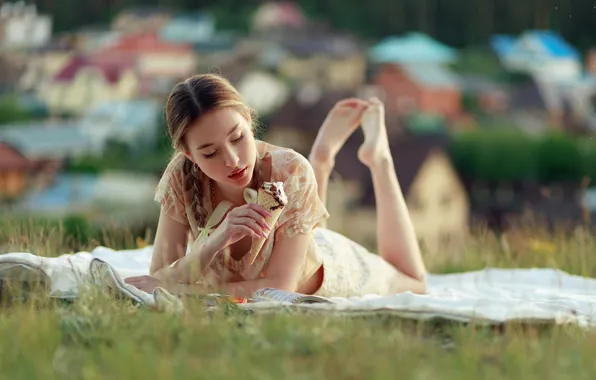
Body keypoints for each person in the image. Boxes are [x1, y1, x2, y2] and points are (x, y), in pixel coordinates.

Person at [124, 74, 427, 298]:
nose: (232, 159)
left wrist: (189, 289)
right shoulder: (181, 176)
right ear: (188, 154)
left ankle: (377, 159)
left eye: (238, 138)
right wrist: (216, 240)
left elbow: (282, 288)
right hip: (299, 238)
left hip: (326, 270)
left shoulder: (289, 170)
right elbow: (158, 278)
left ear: (248, 121)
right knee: (306, 211)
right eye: (210, 152)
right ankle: (321, 161)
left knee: (415, 284)